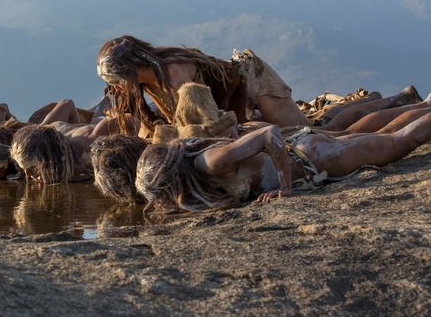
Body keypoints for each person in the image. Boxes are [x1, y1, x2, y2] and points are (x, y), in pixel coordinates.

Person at [96, 35, 422, 135]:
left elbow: (205, 124)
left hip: (253, 80)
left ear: (130, 69)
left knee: (319, 133)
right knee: (316, 126)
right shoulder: (147, 83)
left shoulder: (175, 72)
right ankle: (392, 99)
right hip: (235, 102)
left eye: (114, 80)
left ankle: (398, 102)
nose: (114, 88)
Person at [134, 109, 431, 213]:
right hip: (311, 152)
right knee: (389, 135)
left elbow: (268, 134)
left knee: (403, 140)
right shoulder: (197, 171)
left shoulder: (210, 163)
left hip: (318, 158)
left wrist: (286, 186)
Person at [10, 99, 138, 184]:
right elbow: (67, 103)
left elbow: (127, 119)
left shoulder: (88, 145)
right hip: (66, 130)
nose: (29, 177)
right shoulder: (45, 127)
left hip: (100, 121)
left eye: (33, 169)